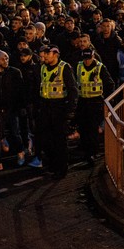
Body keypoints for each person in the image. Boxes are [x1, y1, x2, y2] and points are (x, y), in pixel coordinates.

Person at [33, 45, 78, 178]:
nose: (45, 56)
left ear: (55, 54)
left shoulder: (64, 67)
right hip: (46, 107)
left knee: (59, 141)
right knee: (47, 140)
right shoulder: (42, 67)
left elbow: (73, 90)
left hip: (59, 108)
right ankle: (52, 166)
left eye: (48, 53)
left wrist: (70, 111)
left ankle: (61, 169)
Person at [75, 47, 115, 166]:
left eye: (89, 58)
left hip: (95, 102)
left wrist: (106, 100)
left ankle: (92, 154)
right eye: (85, 58)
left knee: (92, 129)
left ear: (93, 56)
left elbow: (110, 84)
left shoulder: (100, 67)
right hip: (83, 101)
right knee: (83, 128)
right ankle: (86, 152)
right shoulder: (78, 66)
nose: (87, 61)